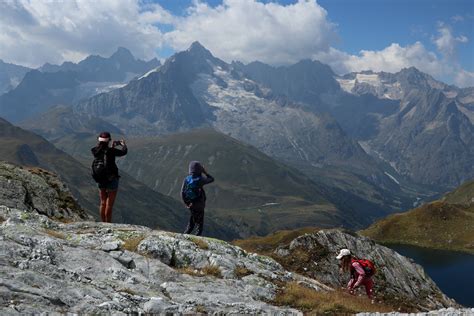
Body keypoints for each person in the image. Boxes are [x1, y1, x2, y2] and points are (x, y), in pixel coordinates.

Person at [91, 131, 127, 223]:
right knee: (109, 205)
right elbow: (123, 152)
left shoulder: (94, 150)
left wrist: (112, 147)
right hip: (112, 178)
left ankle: (103, 223)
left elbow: (104, 153)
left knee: (102, 203)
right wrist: (123, 144)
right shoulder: (111, 151)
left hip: (100, 178)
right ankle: (109, 224)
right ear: (109, 140)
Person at [181, 161, 214, 236]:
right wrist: (205, 172)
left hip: (191, 204)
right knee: (199, 224)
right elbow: (211, 179)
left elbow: (182, 192)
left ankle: (185, 236)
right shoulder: (200, 179)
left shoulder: (187, 179)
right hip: (199, 204)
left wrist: (187, 203)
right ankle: (197, 239)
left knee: (192, 221)